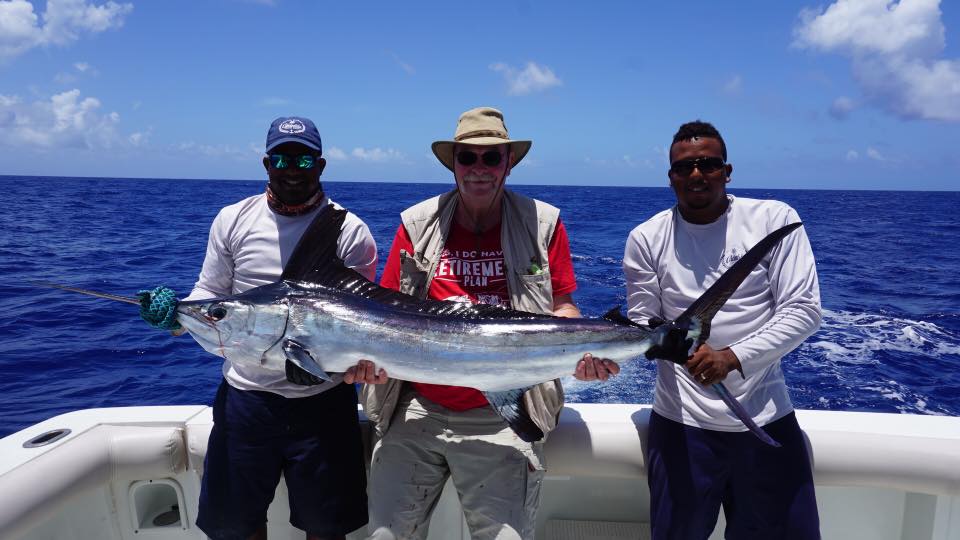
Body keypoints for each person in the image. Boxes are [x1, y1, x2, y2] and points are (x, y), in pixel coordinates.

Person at [345, 107, 619, 540]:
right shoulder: (416, 225)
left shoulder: (543, 223)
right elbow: (385, 318)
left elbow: (564, 309)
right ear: (452, 163)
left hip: (503, 415)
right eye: (467, 158)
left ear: (508, 163)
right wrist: (364, 363)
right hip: (417, 409)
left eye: (491, 158)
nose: (478, 169)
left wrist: (581, 356)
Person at [138, 116, 376, 540]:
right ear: (267, 164)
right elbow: (209, 294)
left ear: (320, 166)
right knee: (235, 529)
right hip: (246, 403)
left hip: (323, 404)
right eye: (282, 158)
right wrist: (175, 315)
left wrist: (360, 364)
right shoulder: (233, 219)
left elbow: (363, 319)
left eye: (302, 160)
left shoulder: (350, 230)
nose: (291, 169)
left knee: (327, 530)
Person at [623, 120, 822, 539]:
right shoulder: (645, 237)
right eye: (684, 167)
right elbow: (643, 321)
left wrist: (731, 358)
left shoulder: (774, 219)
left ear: (727, 171)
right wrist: (608, 351)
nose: (696, 174)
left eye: (708, 164)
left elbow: (804, 310)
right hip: (680, 428)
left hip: (767, 421)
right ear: (671, 177)